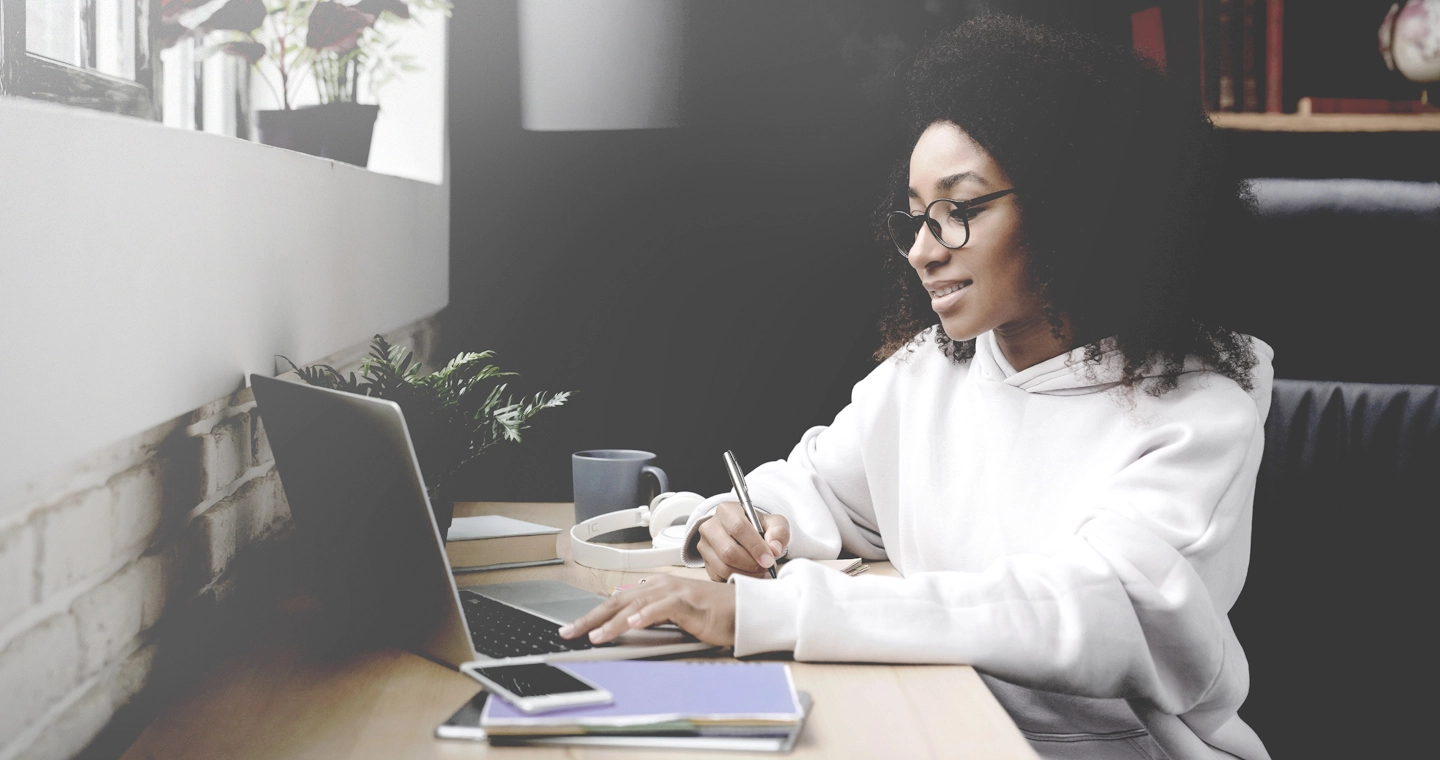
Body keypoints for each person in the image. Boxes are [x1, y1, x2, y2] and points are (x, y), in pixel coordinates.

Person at [560, 14, 1271, 760]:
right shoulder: (931, 370)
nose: (924, 252)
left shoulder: (1198, 418)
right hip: (936, 729)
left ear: (1075, 204)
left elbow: (1083, 609)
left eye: (959, 212)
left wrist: (771, 611)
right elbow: (820, 488)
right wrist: (751, 517)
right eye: (917, 218)